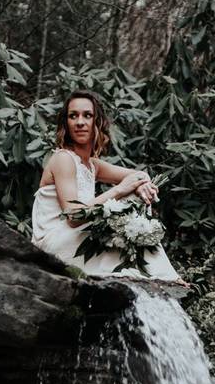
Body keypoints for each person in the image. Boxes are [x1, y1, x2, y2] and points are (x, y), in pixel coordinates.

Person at [31, 89, 183, 281]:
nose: (79, 122)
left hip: (73, 236)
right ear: (66, 124)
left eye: (87, 115)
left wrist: (140, 184)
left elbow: (138, 175)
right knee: (123, 202)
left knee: (133, 197)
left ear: (97, 122)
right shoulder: (63, 159)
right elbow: (72, 215)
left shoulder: (91, 164)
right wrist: (119, 190)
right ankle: (164, 276)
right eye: (73, 116)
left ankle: (161, 275)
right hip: (54, 242)